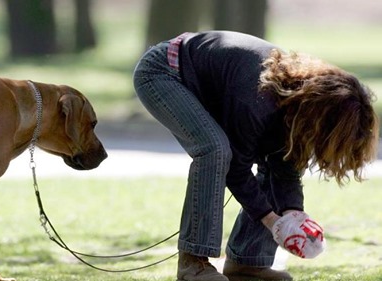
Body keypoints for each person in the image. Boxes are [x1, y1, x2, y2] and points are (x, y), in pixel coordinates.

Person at [132, 30, 379, 281]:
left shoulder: (295, 106)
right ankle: (192, 263)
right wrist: (273, 221)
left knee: (269, 164)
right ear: (319, 115)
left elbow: (284, 165)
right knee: (214, 150)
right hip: (164, 72)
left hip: (208, 80)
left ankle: (247, 262)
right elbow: (236, 170)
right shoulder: (258, 100)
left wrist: (294, 214)